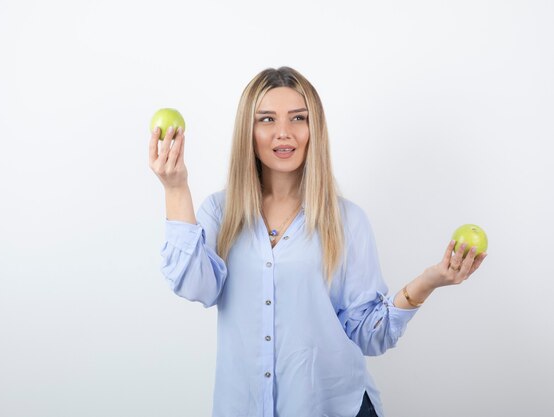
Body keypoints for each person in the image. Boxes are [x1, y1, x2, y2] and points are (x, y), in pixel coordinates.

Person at [148, 67, 487, 417]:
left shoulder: (347, 221)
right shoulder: (221, 212)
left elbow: (368, 333)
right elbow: (194, 285)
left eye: (298, 118)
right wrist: (175, 188)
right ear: (248, 132)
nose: (284, 133)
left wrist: (430, 280)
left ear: (315, 130)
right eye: (266, 119)